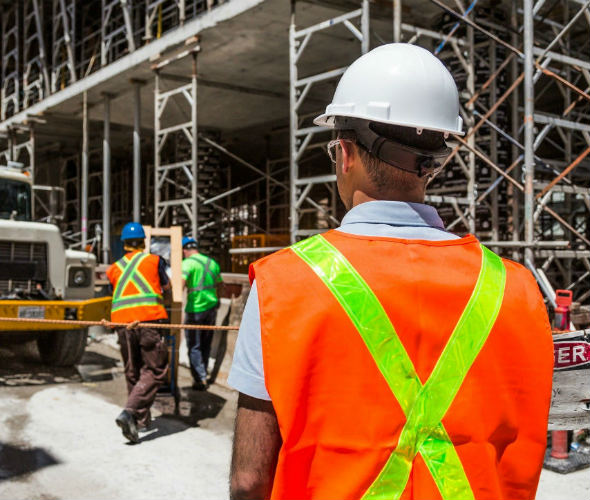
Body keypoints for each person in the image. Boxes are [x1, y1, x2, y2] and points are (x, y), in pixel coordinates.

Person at [228, 43, 553, 500]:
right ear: (435, 162)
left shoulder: (284, 284)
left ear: (343, 154)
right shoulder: (516, 287)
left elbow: (249, 480)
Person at [106, 222, 171, 444]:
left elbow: (115, 294)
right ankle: (130, 411)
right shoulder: (154, 261)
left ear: (124, 244)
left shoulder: (113, 268)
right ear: (144, 242)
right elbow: (167, 286)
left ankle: (140, 421)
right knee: (156, 369)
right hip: (148, 321)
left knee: (133, 370)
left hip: (123, 325)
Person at [181, 236, 223, 390]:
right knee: (206, 344)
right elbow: (221, 285)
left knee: (194, 345)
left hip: (195, 310)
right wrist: (216, 300)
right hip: (211, 309)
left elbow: (181, 284)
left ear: (185, 250)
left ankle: (200, 379)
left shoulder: (187, 264)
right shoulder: (212, 263)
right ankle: (203, 373)